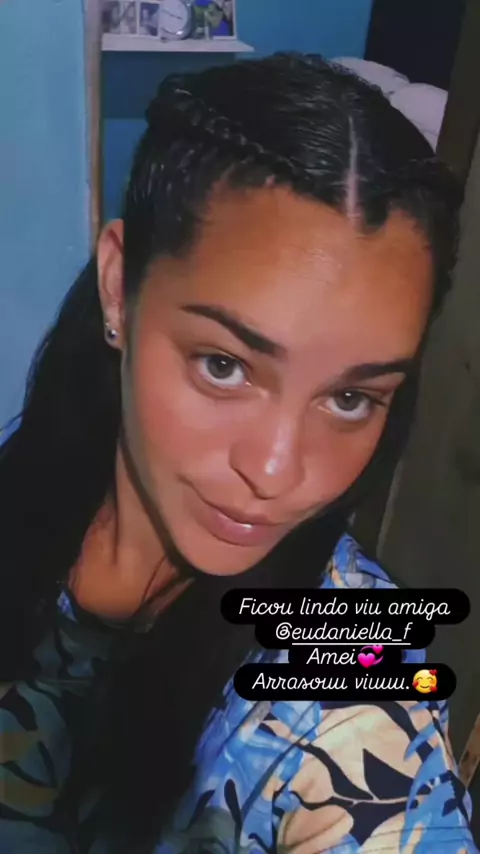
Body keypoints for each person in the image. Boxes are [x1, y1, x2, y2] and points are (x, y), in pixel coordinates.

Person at [0, 54, 475, 853]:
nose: (278, 472)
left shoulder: (345, 687)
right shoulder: (34, 485)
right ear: (119, 287)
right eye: (224, 366)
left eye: (351, 398)